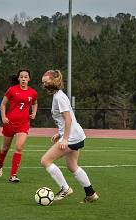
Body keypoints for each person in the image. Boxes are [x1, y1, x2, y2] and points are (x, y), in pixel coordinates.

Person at [40, 69, 99, 203]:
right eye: (42, 83)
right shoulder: (58, 95)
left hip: (72, 137)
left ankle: (65, 188)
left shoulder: (59, 97)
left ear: (54, 81)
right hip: (76, 136)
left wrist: (65, 139)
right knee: (72, 166)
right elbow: (66, 119)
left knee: (45, 161)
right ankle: (91, 194)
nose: (43, 85)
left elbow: (68, 119)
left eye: (45, 82)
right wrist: (59, 134)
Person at [0, 69, 38, 182]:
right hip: (9, 123)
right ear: (18, 78)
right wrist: (4, 117)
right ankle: (0, 165)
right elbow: (3, 104)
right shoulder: (12, 90)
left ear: (29, 79)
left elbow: (34, 103)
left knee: (19, 147)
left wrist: (34, 113)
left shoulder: (33, 92)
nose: (23, 79)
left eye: (26, 77)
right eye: (21, 77)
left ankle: (13, 175)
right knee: (5, 148)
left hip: (23, 124)